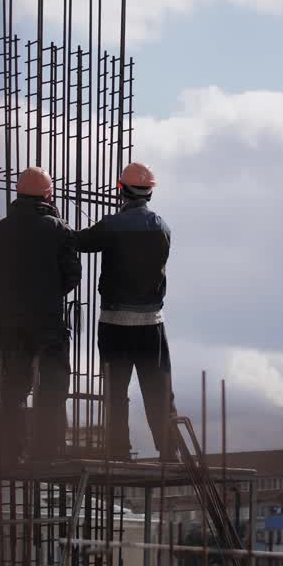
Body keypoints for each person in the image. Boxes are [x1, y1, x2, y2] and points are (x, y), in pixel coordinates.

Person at [75, 162, 177, 462]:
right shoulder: (162, 227)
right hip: (151, 325)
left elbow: (80, 242)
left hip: (114, 323)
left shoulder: (111, 225)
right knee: (158, 391)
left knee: (115, 392)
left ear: (121, 189)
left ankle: (118, 451)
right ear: (150, 192)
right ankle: (170, 451)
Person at [0, 167, 81, 462]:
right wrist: (49, 293)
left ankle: (10, 450)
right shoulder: (58, 228)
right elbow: (73, 276)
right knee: (52, 385)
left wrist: (11, 296)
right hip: (47, 321)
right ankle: (46, 451)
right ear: (48, 195)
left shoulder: (1, 229)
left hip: (10, 323)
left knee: (13, 387)